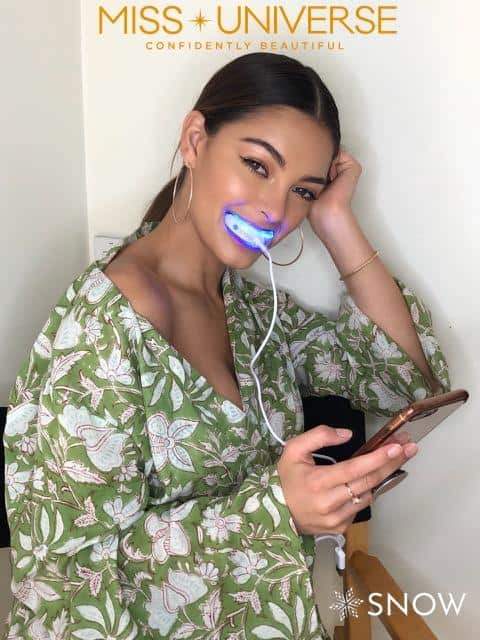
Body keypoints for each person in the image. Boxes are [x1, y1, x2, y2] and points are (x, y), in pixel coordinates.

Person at [3, 53, 451, 640]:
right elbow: (65, 588)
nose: (276, 211)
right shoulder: (100, 331)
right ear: (195, 140)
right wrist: (277, 512)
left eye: (302, 190)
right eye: (257, 165)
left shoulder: (249, 309)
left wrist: (336, 220)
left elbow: (403, 379)